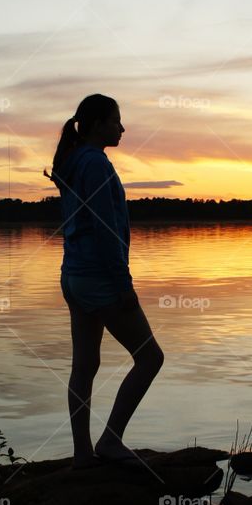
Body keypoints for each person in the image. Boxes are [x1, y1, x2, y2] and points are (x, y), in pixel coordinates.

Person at [44, 94, 164, 470]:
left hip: (74, 276)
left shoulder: (75, 159)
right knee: (150, 357)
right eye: (116, 121)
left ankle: (83, 454)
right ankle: (110, 440)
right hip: (99, 277)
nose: (122, 128)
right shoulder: (94, 162)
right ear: (97, 124)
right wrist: (123, 283)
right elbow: (104, 226)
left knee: (84, 366)